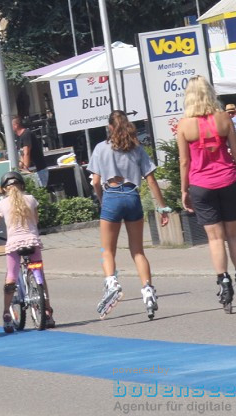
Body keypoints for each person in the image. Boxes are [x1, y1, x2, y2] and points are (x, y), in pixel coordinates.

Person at [176, 76, 236, 310]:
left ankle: (224, 282)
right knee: (235, 236)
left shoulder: (184, 125)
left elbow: (184, 162)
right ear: (210, 93)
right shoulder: (224, 118)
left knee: (215, 238)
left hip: (201, 184)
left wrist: (184, 189)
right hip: (228, 179)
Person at [88, 110, 171, 319]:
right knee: (138, 251)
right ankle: (148, 291)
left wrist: (102, 200)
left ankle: (112, 283)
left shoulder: (100, 148)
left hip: (111, 197)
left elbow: (96, 181)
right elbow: (151, 180)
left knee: (108, 250)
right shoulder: (136, 149)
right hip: (132, 196)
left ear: (109, 127)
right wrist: (162, 208)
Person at [0, 171, 55, 332]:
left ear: (4, 189)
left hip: (14, 244)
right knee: (39, 274)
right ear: (22, 185)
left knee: (11, 277)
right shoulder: (31, 199)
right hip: (32, 241)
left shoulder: (3, 204)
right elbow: (35, 221)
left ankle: (7, 314)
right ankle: (47, 311)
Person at [12, 116, 48, 187]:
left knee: (39, 192)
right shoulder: (19, 137)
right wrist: (18, 168)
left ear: (16, 125)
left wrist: (25, 168)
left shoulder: (26, 134)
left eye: (11, 125)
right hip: (32, 171)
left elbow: (27, 153)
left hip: (38, 170)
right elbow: (22, 155)